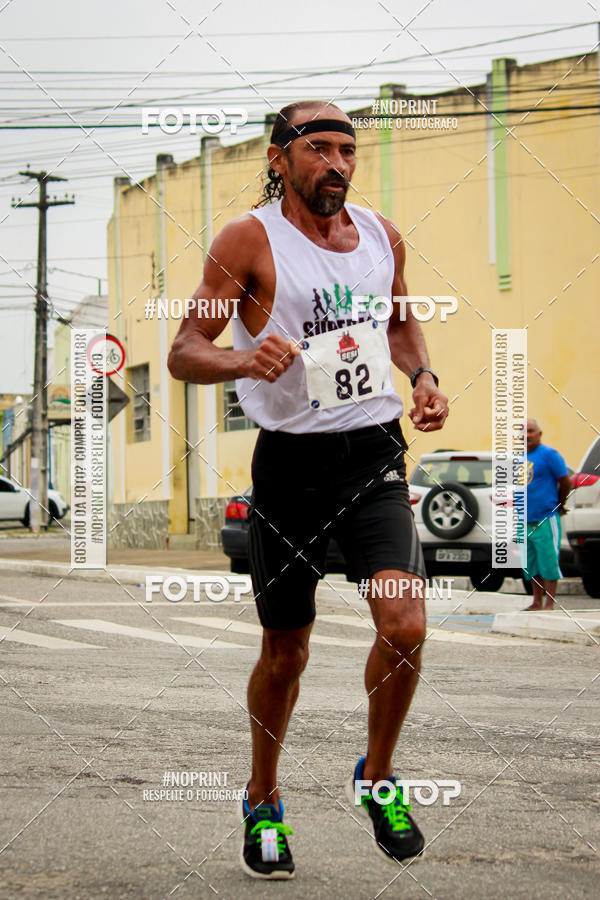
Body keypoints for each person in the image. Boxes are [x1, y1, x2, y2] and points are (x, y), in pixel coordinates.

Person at [168, 100, 449, 879]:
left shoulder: (381, 235)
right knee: (286, 652)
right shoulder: (248, 239)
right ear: (280, 157)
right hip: (289, 465)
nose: (337, 163)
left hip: (373, 459)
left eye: (348, 151)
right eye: (319, 149)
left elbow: (399, 321)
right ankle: (263, 797)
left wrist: (422, 375)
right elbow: (186, 349)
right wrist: (240, 361)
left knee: (406, 623)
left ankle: (378, 777)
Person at [522, 418, 571, 611]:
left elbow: (565, 482)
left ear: (539, 434)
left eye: (531, 431)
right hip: (525, 519)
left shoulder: (550, 455)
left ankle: (549, 603)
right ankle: (536, 601)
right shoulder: (518, 458)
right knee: (531, 563)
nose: (526, 436)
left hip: (545, 518)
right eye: (523, 432)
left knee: (549, 561)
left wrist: (559, 504)